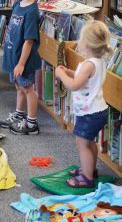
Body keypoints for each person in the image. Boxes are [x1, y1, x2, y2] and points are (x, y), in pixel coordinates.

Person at [55, 20, 112, 188]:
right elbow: (83, 78)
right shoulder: (97, 62)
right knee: (89, 142)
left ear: (86, 44)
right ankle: (90, 170)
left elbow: (74, 85)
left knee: (82, 144)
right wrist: (70, 72)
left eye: (80, 39)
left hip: (89, 114)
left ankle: (87, 178)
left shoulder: (88, 64)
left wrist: (60, 74)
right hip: (97, 111)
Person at [0, 0, 42, 135]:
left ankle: (32, 124)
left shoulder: (31, 12)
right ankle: (19, 115)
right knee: (18, 87)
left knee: (28, 89)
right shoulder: (18, 3)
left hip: (24, 60)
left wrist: (21, 64)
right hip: (14, 56)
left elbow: (29, 41)